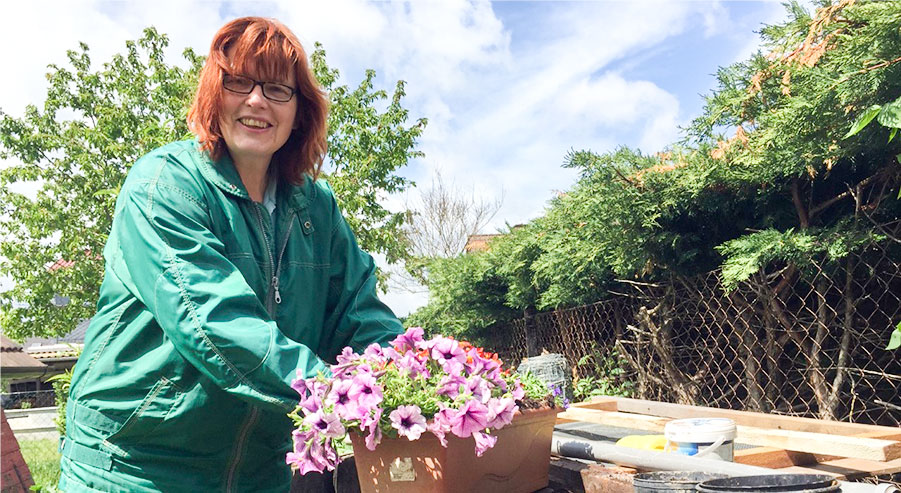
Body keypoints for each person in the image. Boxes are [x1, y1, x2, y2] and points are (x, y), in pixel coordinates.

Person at [59, 17, 403, 492]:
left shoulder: (316, 208)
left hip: (261, 472)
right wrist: (343, 395)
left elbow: (361, 315)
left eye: (279, 89)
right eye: (239, 82)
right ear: (214, 94)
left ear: (300, 111)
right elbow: (212, 320)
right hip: (137, 466)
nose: (257, 100)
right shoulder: (165, 183)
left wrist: (407, 383)